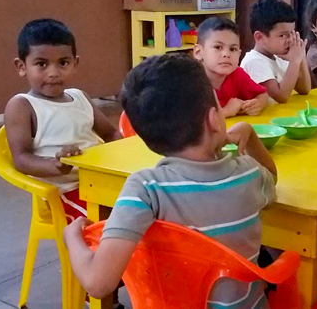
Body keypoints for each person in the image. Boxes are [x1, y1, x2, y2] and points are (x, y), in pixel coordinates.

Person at [62, 54, 277, 308]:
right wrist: (250, 137)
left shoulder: (144, 189)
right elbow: (271, 178)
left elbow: (98, 282)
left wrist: (71, 236)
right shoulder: (248, 173)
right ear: (213, 119)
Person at [4, 19, 121, 222]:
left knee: (151, 201)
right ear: (22, 67)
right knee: (118, 221)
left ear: (75, 64)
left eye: (63, 63)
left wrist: (129, 153)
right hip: (66, 191)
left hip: (102, 181)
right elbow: (21, 159)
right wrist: (57, 166)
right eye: (41, 64)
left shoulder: (80, 97)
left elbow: (110, 134)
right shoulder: (22, 106)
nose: (53, 73)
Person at [194, 17, 269, 117]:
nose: (226, 54)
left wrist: (257, 104)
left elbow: (263, 95)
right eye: (218, 47)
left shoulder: (237, 74)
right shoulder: (192, 80)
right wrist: (226, 111)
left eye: (233, 49)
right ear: (198, 52)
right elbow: (187, 119)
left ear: (239, 54)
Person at [241, 0, 311, 104]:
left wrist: (301, 57)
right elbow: (281, 96)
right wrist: (295, 61)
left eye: (292, 33)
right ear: (260, 37)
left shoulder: (279, 57)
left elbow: (304, 89)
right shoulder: (254, 61)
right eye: (283, 35)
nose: (290, 40)